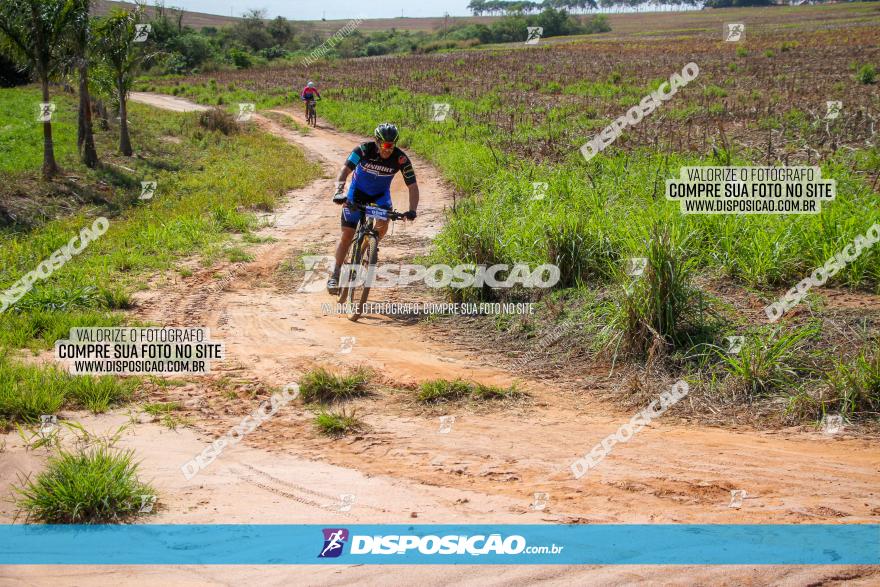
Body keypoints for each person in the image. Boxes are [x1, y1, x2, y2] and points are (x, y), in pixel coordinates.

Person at [326, 123, 419, 293]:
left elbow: (412, 186)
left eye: (392, 145)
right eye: (385, 145)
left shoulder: (401, 159)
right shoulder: (363, 150)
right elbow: (345, 170)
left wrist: (412, 210)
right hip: (357, 193)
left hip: (380, 196)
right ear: (377, 142)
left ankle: (367, 247)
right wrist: (339, 192)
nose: (388, 149)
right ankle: (335, 274)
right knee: (347, 235)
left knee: (383, 223)